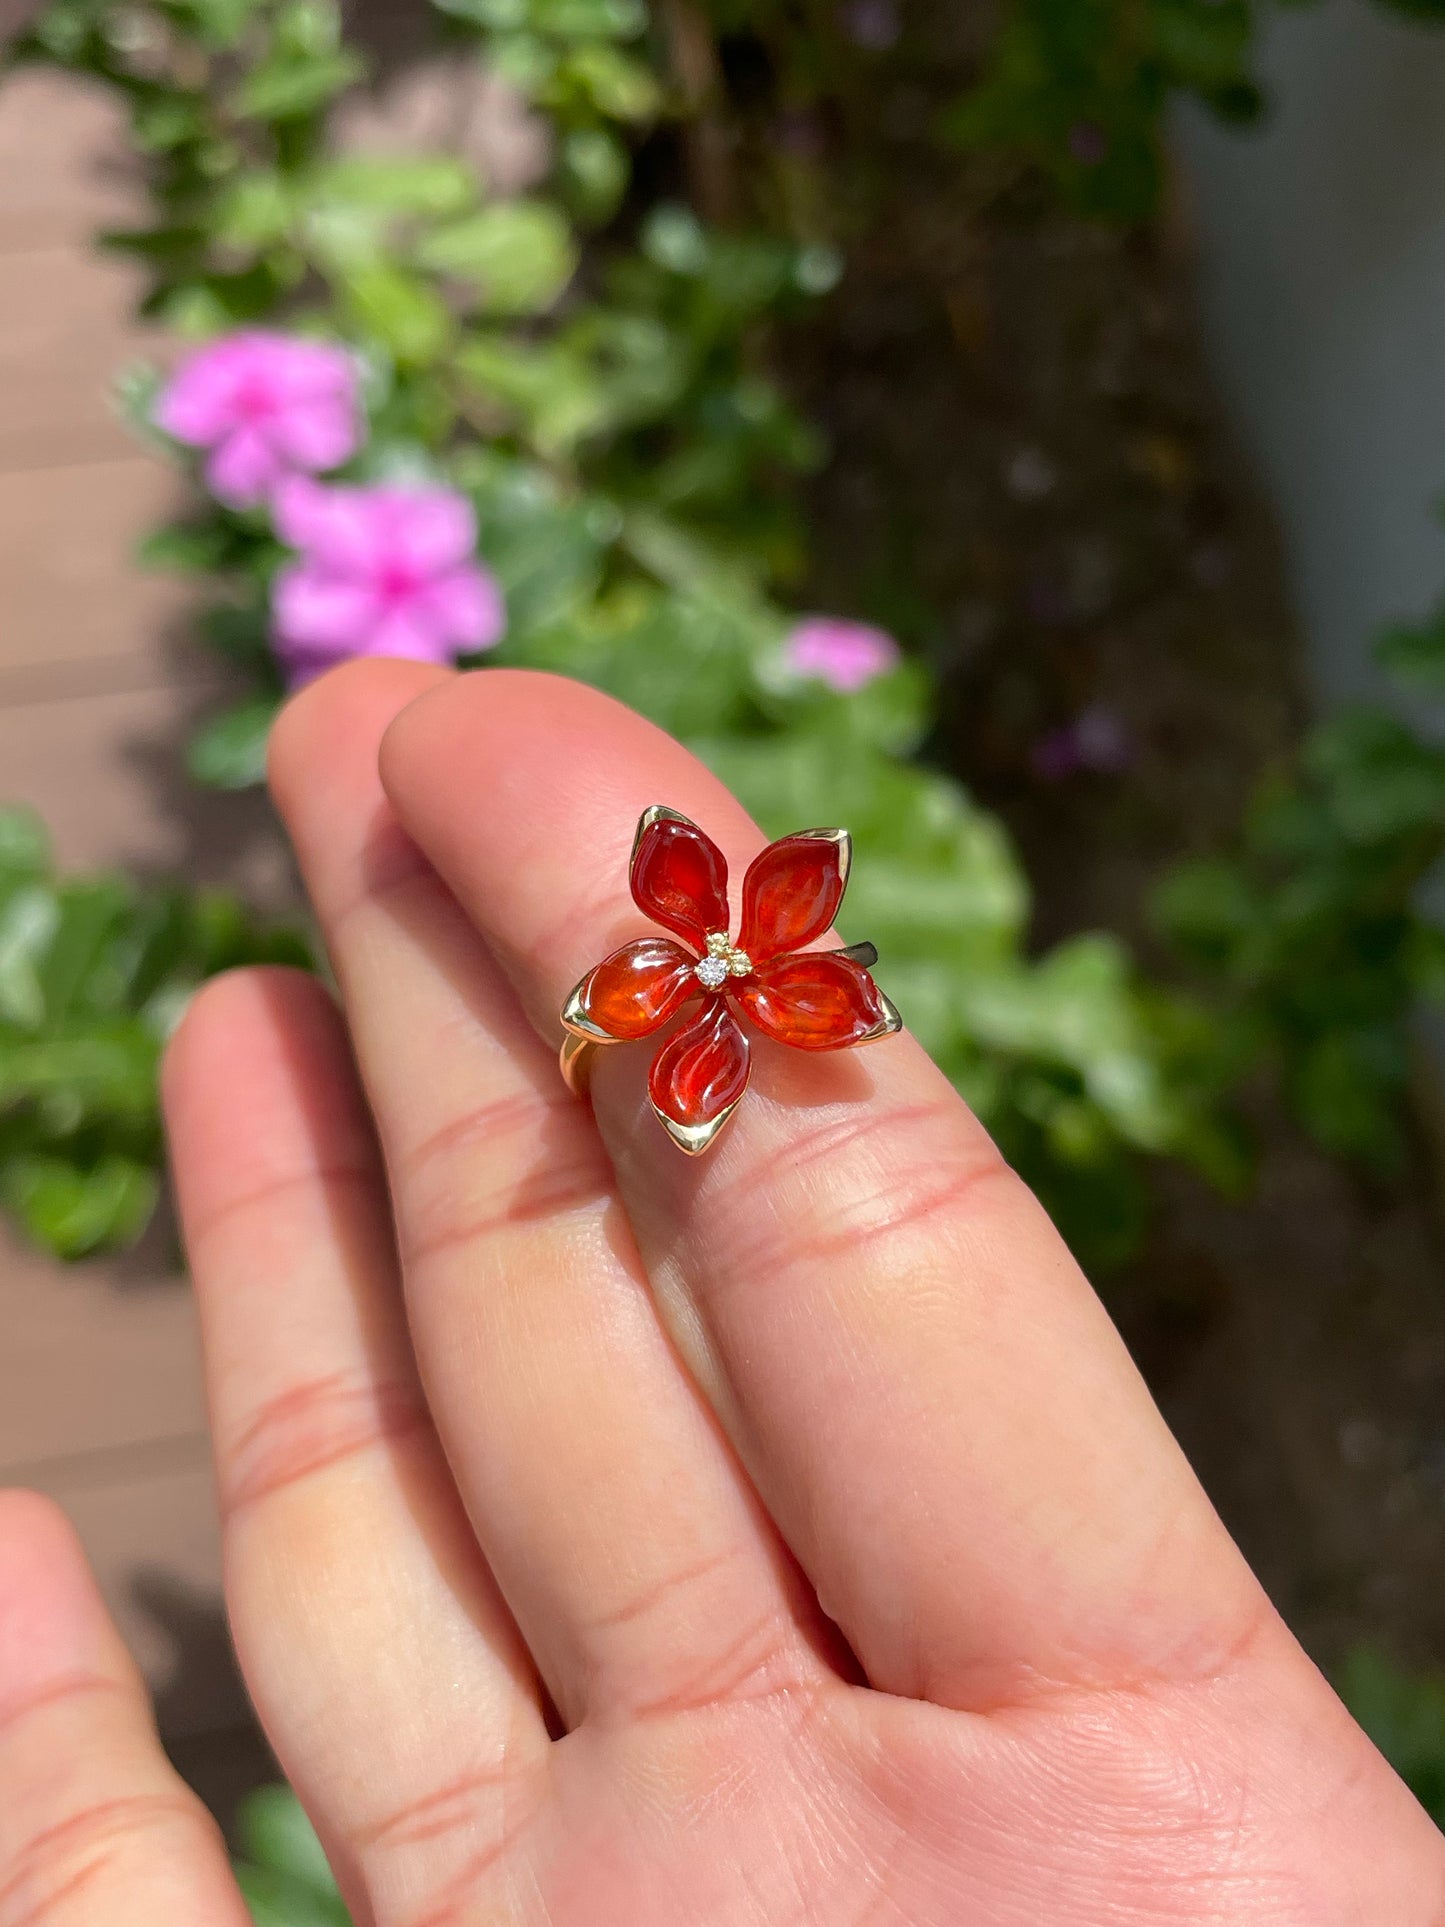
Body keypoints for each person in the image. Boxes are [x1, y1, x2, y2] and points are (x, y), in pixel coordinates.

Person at [2, 660, 1442, 1926]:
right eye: (707, 944)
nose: (724, 946)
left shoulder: (770, 981)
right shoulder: (671, 976)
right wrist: (615, 1029)